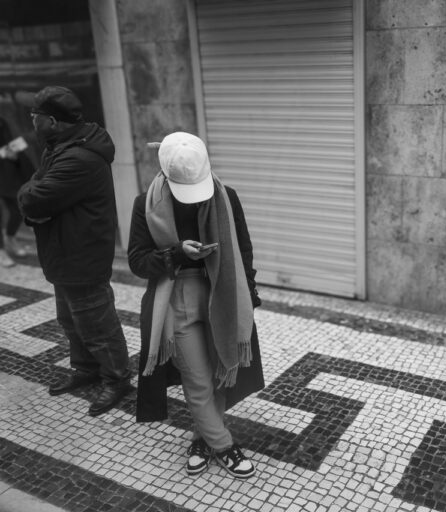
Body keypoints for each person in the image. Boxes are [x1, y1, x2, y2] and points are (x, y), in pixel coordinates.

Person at [127, 132, 265, 479]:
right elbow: (138, 261)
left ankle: (203, 438)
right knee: (198, 379)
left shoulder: (226, 196)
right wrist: (175, 253)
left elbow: (243, 248)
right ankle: (224, 445)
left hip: (224, 293)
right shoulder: (146, 203)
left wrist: (249, 293)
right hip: (177, 298)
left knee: (222, 372)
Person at [17, 86, 131, 416]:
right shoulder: (62, 145)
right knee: (70, 320)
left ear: (51, 121)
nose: (33, 123)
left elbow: (31, 197)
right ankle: (87, 370)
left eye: (35, 118)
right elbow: (35, 190)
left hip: (82, 255)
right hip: (64, 252)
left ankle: (117, 378)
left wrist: (34, 200)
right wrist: (35, 199)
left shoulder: (78, 158)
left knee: (98, 324)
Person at [0, 117, 34, 267]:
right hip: (5, 164)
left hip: (8, 172)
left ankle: (10, 238)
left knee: (17, 209)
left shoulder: (2, 119)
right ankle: (1, 251)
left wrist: (12, 151)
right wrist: (3, 153)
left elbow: (12, 140)